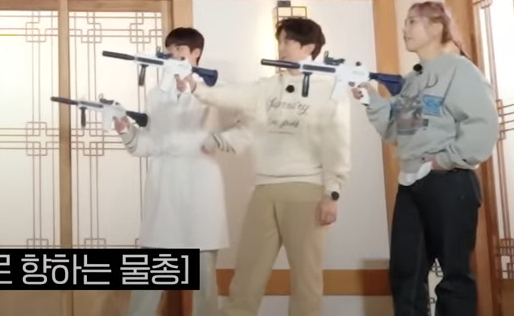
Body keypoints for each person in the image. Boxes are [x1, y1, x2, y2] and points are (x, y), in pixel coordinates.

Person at [180, 16, 351, 316]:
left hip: (307, 190)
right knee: (247, 273)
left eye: (288, 40)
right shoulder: (267, 86)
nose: (281, 47)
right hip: (265, 188)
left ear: (309, 47)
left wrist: (332, 192)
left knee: (306, 277)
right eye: (280, 40)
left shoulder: (330, 90)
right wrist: (195, 86)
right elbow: (231, 95)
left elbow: (338, 144)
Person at [353, 1, 496, 316]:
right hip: (411, 183)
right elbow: (399, 132)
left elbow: (483, 126)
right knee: (406, 273)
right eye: (405, 22)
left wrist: (444, 161)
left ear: (437, 27)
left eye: (412, 22)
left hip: (450, 181)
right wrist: (370, 100)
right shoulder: (412, 81)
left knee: (454, 275)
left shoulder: (460, 70)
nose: (404, 28)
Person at [116, 27, 249, 316]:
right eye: (170, 49)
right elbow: (149, 144)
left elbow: (250, 122)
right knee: (149, 273)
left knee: (204, 278)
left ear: (196, 53)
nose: (173, 55)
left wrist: (218, 140)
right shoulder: (157, 95)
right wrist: (127, 132)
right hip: (164, 184)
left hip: (200, 184)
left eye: (180, 49)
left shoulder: (217, 89)